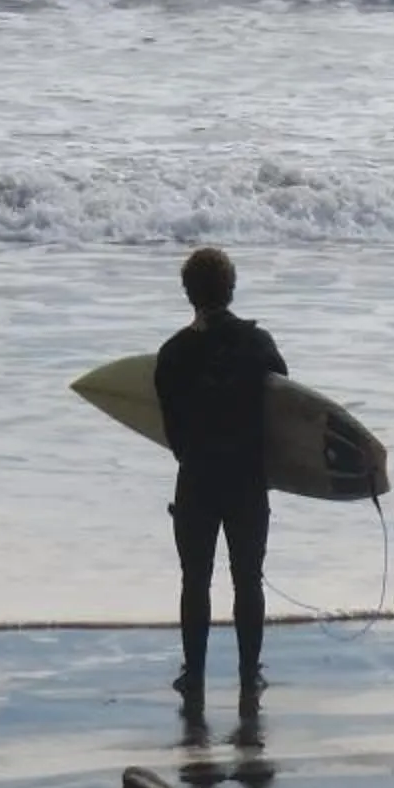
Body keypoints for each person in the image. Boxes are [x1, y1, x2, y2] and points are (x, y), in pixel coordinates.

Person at [154, 245, 287, 718]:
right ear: (231, 289)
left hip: (197, 479)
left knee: (196, 579)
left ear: (188, 293)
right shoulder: (260, 346)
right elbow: (286, 413)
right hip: (248, 479)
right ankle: (249, 672)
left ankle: (195, 672)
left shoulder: (172, 354)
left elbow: (172, 433)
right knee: (248, 579)